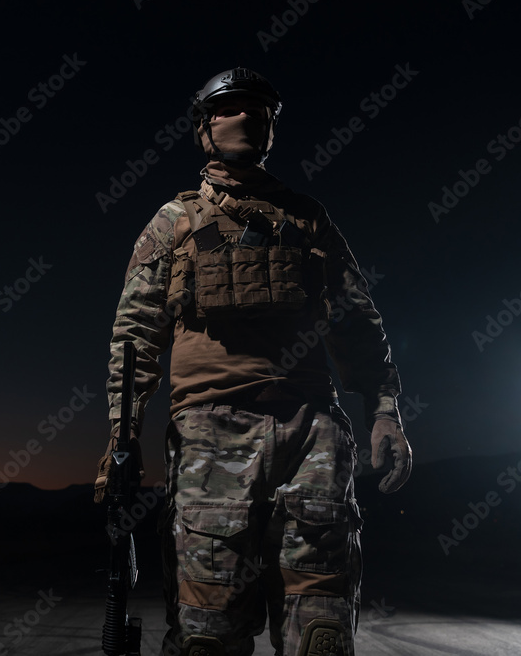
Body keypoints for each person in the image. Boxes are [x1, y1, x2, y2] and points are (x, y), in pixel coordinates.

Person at [94, 68, 412, 656]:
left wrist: (386, 410)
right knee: (207, 634)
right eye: (229, 107)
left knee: (321, 632)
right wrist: (123, 432)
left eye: (258, 109)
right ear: (203, 127)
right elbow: (134, 334)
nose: (245, 118)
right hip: (208, 439)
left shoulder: (309, 220)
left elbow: (358, 321)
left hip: (310, 434)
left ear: (273, 128)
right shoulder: (174, 223)